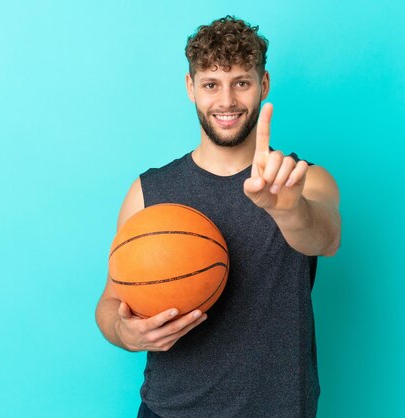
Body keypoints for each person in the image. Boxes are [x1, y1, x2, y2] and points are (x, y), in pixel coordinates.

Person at [95, 16, 341, 418]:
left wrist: (287, 209)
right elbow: (108, 303)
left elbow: (326, 238)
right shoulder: (148, 192)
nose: (226, 101)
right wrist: (124, 331)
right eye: (211, 84)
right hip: (170, 410)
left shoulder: (300, 180)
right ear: (191, 88)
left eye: (241, 82)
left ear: (263, 85)